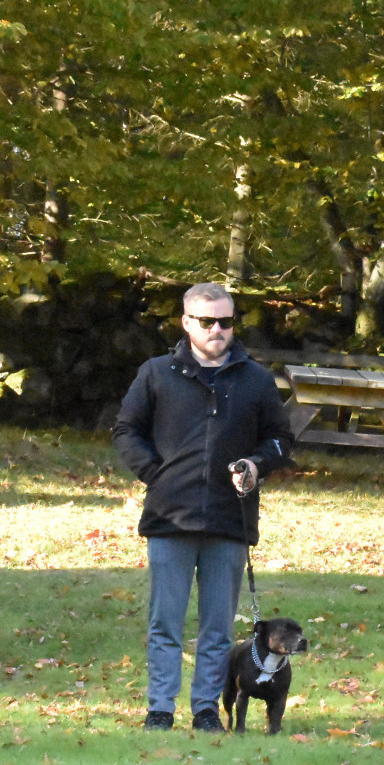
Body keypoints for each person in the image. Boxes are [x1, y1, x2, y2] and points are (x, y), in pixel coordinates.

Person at [113, 282, 293, 731]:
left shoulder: (256, 379)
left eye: (226, 321)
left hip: (230, 519)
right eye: (207, 321)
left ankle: (207, 710)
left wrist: (256, 465)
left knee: (218, 629)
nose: (217, 329)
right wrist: (156, 474)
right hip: (169, 518)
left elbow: (280, 439)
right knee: (165, 623)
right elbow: (126, 430)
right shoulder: (156, 373)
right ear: (186, 322)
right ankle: (160, 709)